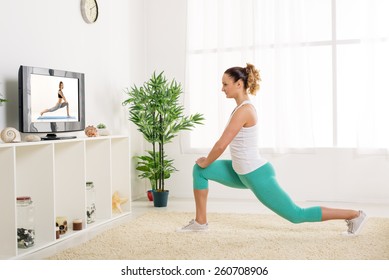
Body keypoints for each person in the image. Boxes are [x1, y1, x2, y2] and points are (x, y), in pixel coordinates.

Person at [178, 63, 367, 235]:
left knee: (296, 215)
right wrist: (204, 164)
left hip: (256, 174)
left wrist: (207, 160)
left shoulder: (245, 110)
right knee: (200, 171)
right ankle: (200, 222)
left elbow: (221, 144)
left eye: (225, 84)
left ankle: (354, 215)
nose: (222, 88)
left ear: (239, 84)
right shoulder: (239, 108)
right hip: (240, 172)